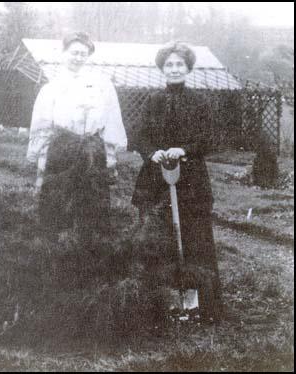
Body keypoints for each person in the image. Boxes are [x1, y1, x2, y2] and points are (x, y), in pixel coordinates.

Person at [131, 42, 223, 322]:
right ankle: (161, 302)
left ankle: (195, 304)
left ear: (188, 68)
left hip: (191, 181)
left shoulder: (200, 102)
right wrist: (152, 152)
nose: (174, 69)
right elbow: (138, 135)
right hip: (156, 179)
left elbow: (211, 138)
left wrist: (184, 150)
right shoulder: (152, 101)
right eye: (169, 65)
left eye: (179, 64)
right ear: (162, 69)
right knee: (158, 240)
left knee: (195, 241)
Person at [26, 31, 127, 190]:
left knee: (91, 206)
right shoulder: (51, 88)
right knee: (59, 204)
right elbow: (42, 127)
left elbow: (112, 122)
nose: (78, 58)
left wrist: (111, 159)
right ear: (64, 53)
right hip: (61, 151)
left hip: (93, 152)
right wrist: (40, 165)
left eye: (83, 54)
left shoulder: (102, 86)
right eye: (74, 53)